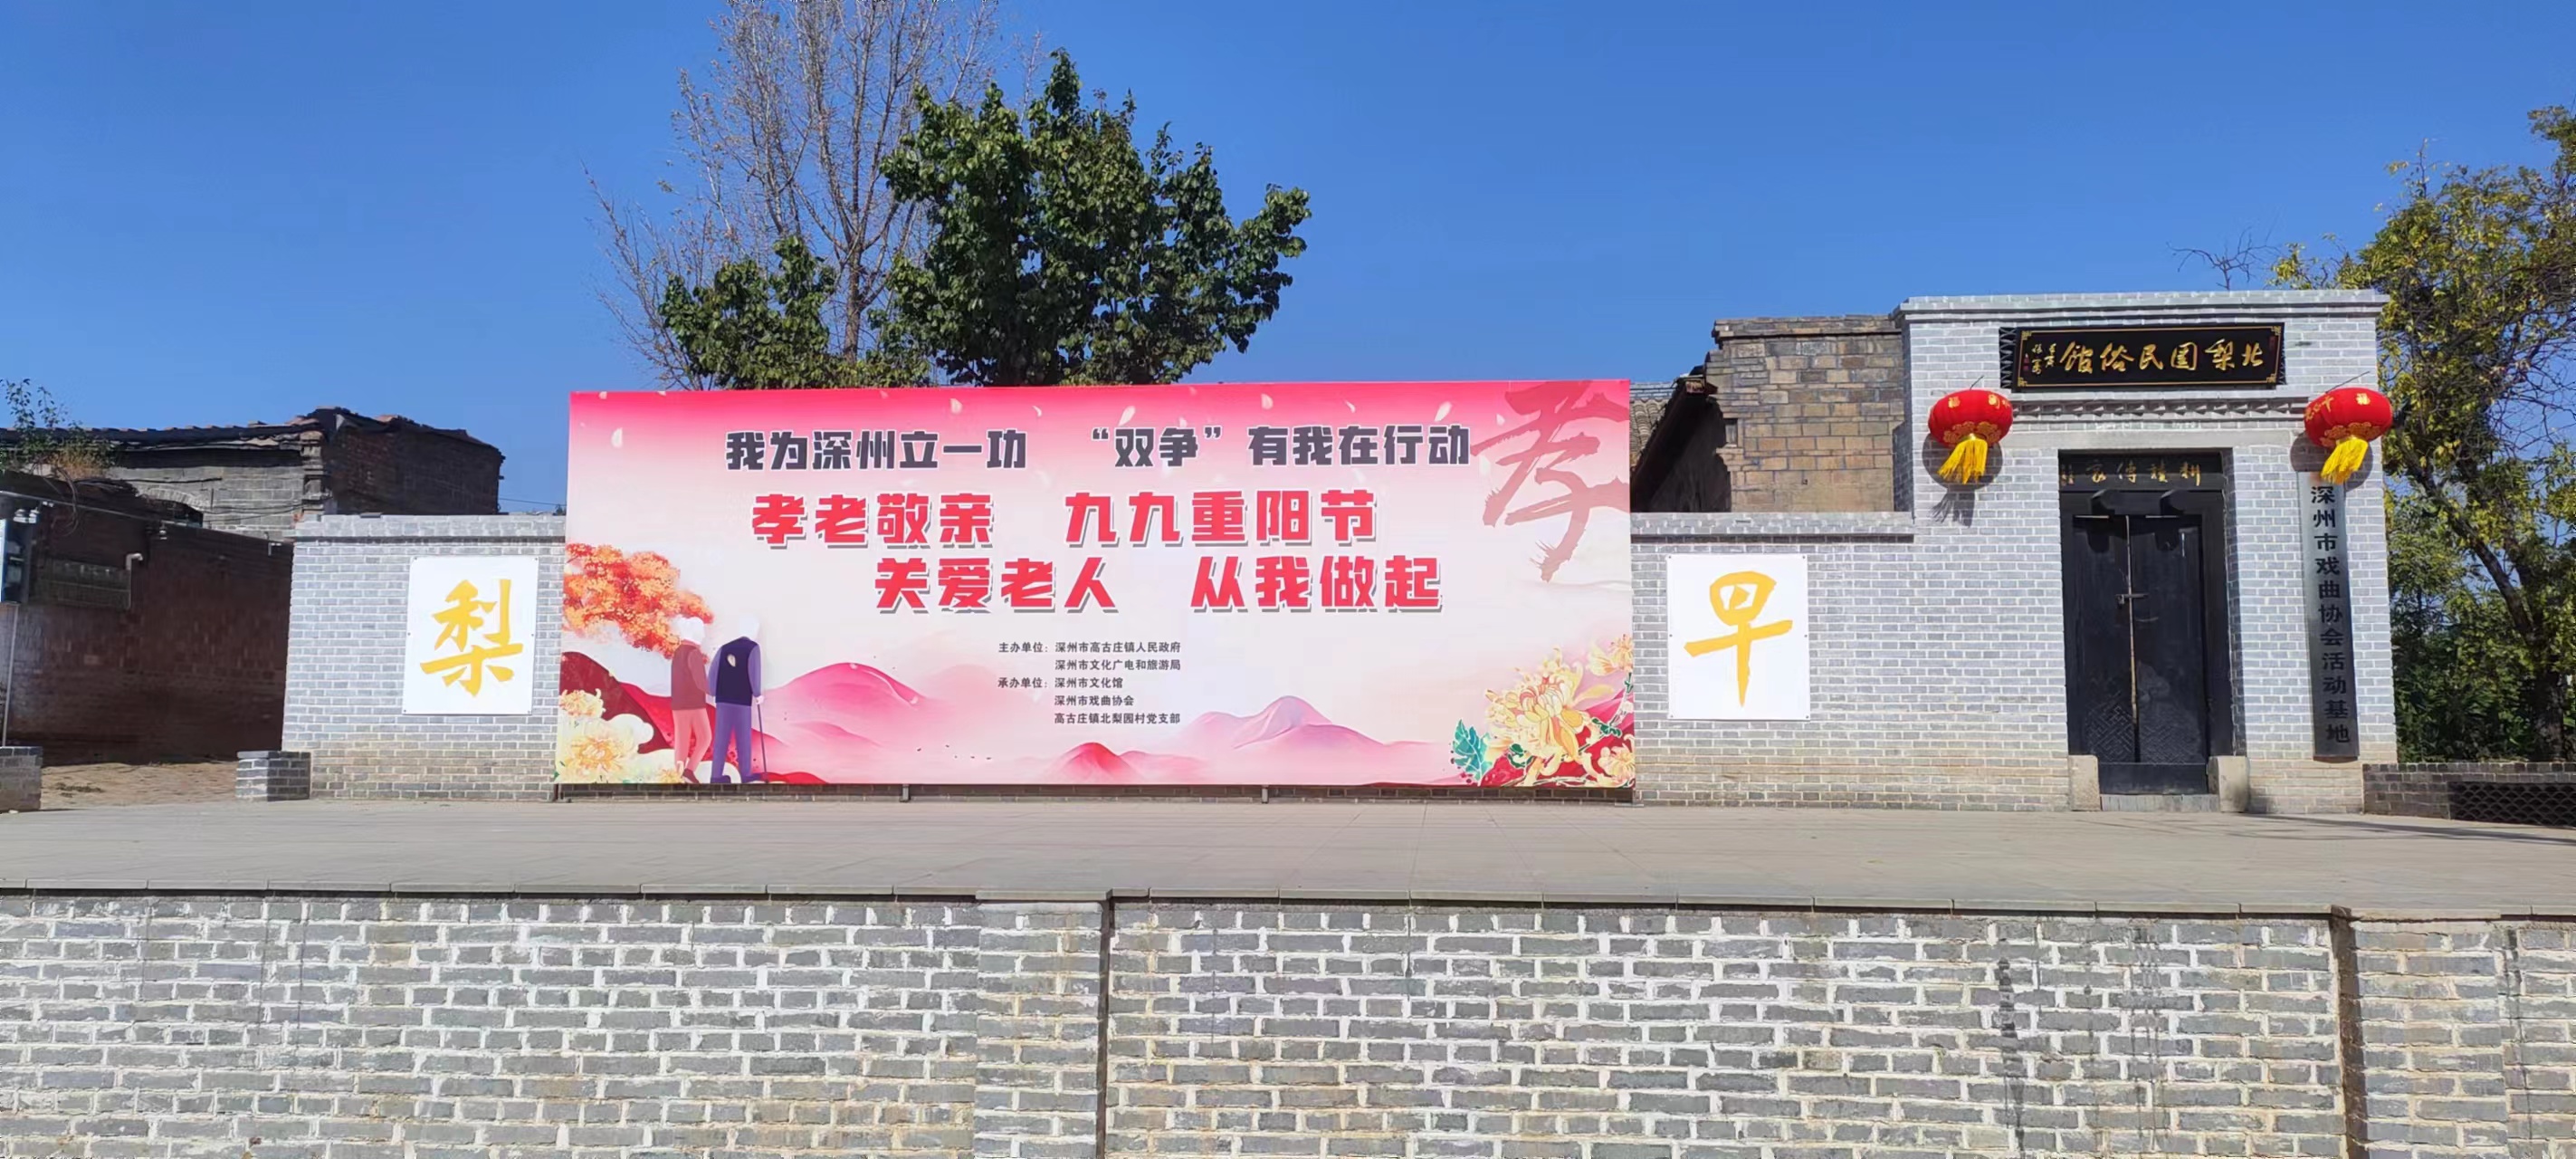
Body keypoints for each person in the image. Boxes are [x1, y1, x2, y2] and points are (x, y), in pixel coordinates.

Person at [708, 617, 763, 784]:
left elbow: (713, 672)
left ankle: (715, 776)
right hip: (742, 700)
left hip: (723, 699)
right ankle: (745, 774)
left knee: (721, 738)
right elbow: (754, 672)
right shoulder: (753, 648)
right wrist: (757, 693)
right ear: (753, 631)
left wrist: (713, 692)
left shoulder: (725, 648)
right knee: (743, 738)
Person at [667, 626, 712, 782]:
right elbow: (701, 682)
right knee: (705, 737)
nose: (704, 635)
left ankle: (678, 775)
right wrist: (714, 691)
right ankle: (689, 770)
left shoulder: (678, 651)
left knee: (682, 740)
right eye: (701, 631)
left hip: (678, 703)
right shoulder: (694, 653)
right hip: (694, 704)